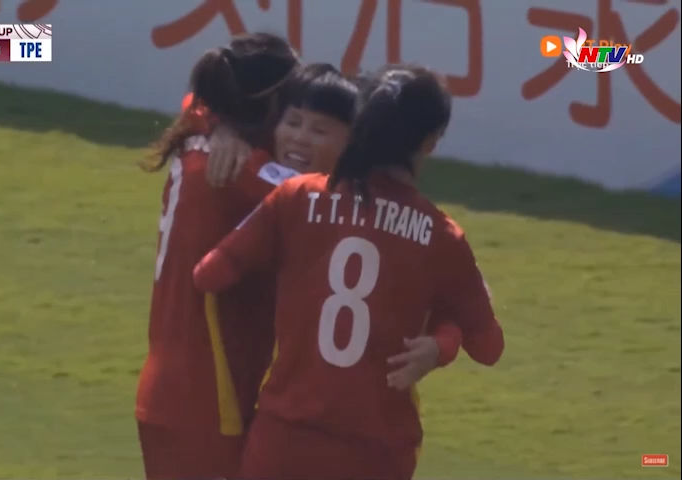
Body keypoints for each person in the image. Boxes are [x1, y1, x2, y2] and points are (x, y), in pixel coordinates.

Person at [193, 64, 505, 480]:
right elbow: (489, 348)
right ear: (430, 142)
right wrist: (442, 344)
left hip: (282, 443)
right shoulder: (441, 236)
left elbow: (209, 275)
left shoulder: (295, 197)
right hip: (376, 455)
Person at [135, 32, 300, 480]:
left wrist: (222, 127)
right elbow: (325, 201)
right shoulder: (245, 174)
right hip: (210, 404)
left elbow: (196, 101)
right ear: (269, 104)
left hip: (173, 393)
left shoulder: (199, 137)